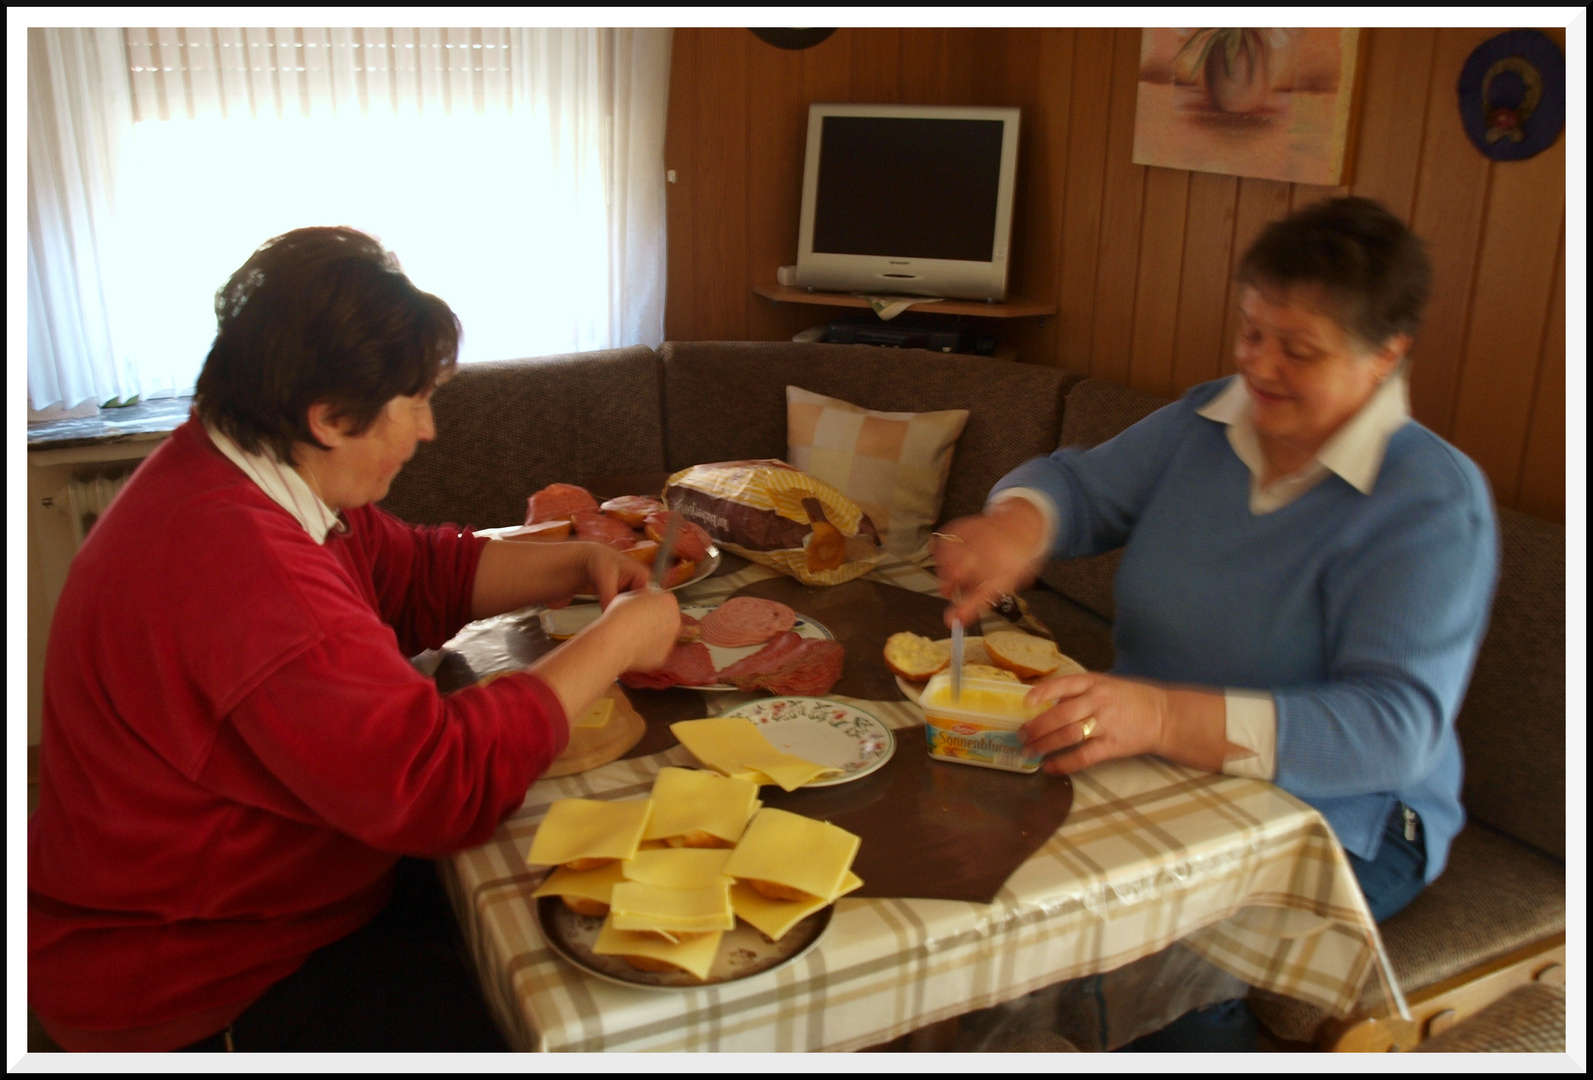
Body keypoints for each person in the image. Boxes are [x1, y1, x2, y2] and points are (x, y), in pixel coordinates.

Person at [27, 226, 682, 1052]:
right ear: (329, 417)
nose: (429, 429)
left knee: (527, 893)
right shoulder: (240, 568)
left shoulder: (237, 468)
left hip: (275, 898)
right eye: (414, 402)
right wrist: (620, 641)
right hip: (194, 984)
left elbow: (410, 572)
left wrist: (578, 559)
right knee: (563, 1016)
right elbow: (437, 782)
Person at [934, 197, 1499, 1051]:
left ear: (1385, 356)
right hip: (1159, 765)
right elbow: (1081, 488)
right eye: (1250, 332)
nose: (1260, 367)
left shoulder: (1427, 503)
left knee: (1149, 982)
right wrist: (1018, 524)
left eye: (1297, 349)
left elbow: (1393, 730)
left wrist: (1160, 714)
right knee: (978, 897)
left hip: (1341, 818)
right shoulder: (1211, 420)